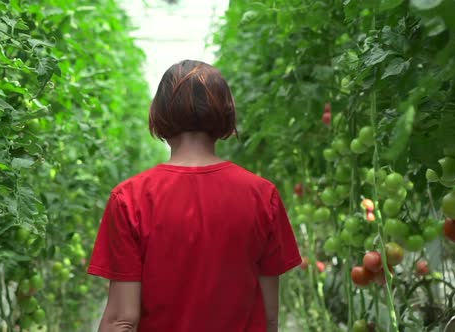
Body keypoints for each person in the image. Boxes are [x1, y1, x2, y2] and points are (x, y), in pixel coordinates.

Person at [87, 59, 302, 332]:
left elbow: (122, 320)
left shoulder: (130, 199)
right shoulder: (262, 196)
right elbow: (269, 317)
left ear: (159, 115)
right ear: (226, 114)